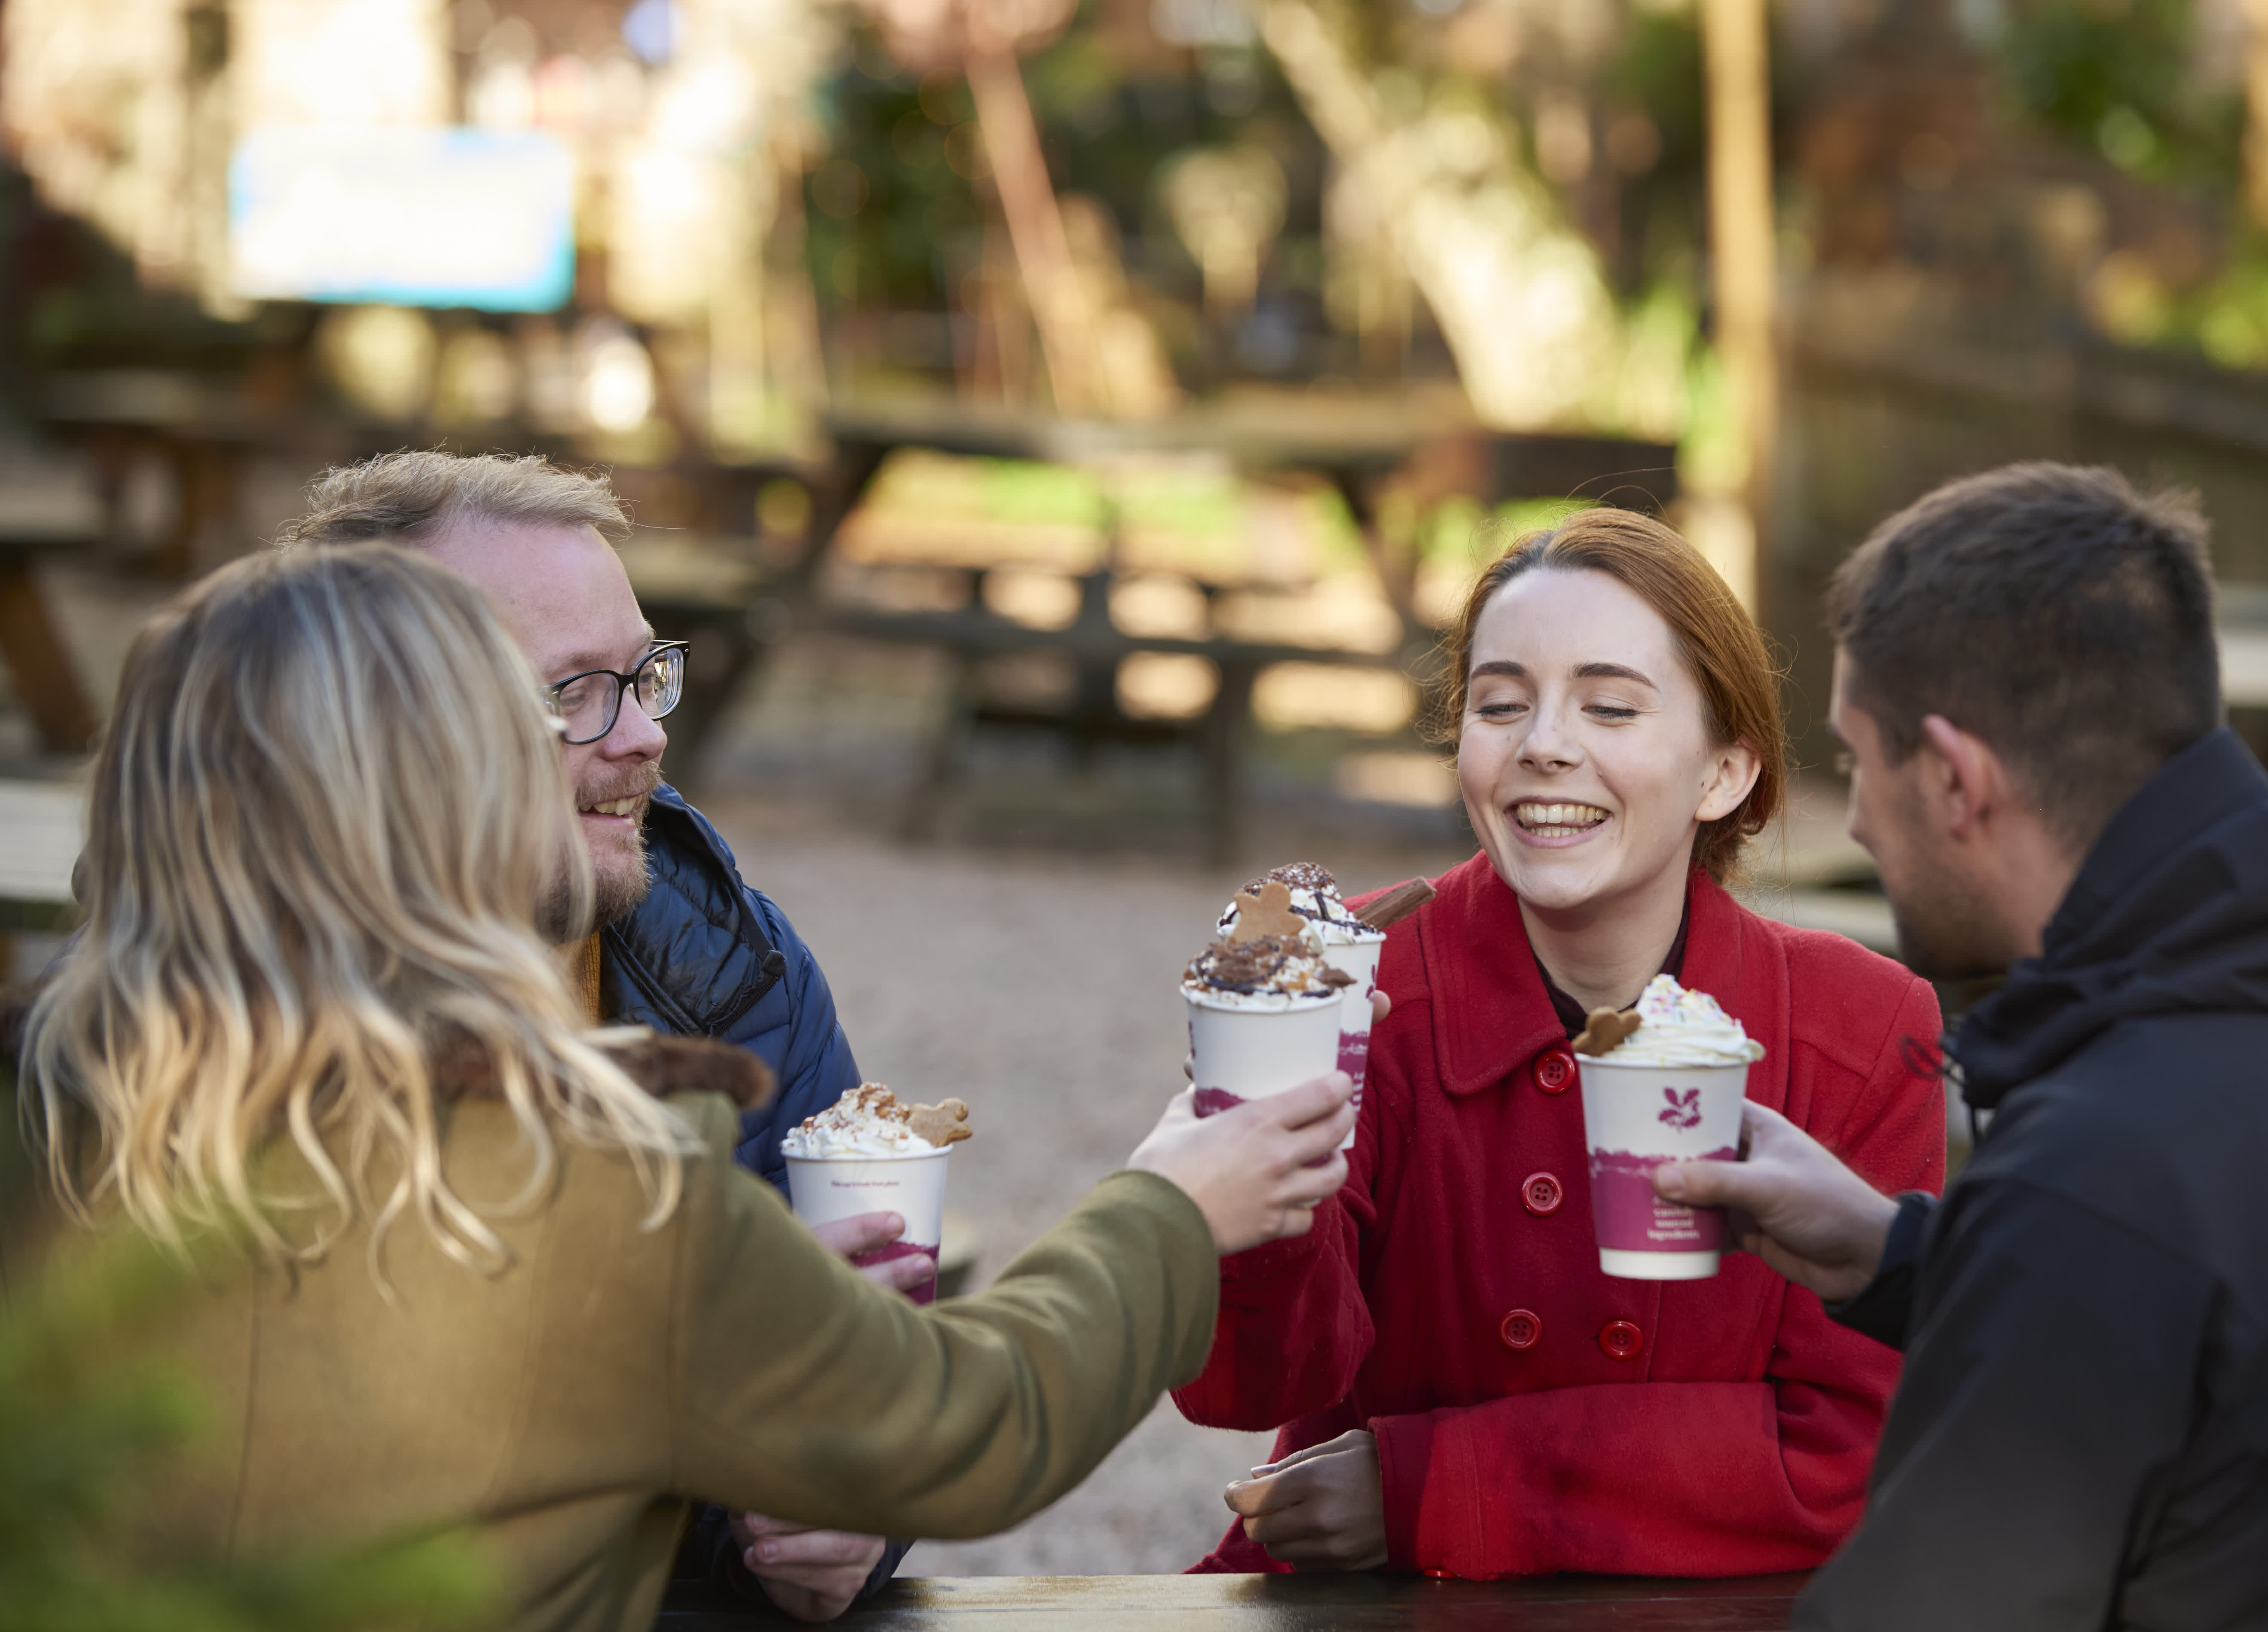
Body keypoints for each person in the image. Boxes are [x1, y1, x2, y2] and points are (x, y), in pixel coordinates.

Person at [6, 540, 1358, 1632]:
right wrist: (1167, 1209)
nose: (637, 740)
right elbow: (961, 1421)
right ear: (443, 798)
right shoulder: (597, 1192)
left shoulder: (46, 1123)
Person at [1661, 463, 2268, 1629]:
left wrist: (2033, 1233)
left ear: (1954, 778)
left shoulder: (2106, 1170)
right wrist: (1905, 1258)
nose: (1851, 817)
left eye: (1855, 760)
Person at [1177, 507, 1947, 1578]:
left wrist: (1432, 1483)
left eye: (1611, 706)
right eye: (1500, 704)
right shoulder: (1352, 980)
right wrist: (1250, 1158)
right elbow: (1242, 1387)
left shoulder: (1859, 1027)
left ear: (1726, 771)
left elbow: (1847, 1458)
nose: (1543, 744)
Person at [279, 453, 895, 1616]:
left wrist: (842, 1518)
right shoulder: (191, 1022)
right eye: (572, 692)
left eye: (645, 675)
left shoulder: (731, 966)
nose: (646, 736)